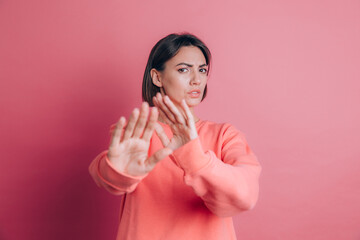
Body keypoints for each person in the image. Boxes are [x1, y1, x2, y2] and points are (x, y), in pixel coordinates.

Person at [89, 33, 262, 240]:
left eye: (202, 70)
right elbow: (104, 175)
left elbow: (245, 196)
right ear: (157, 77)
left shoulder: (225, 135)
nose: (197, 80)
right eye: (183, 69)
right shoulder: (137, 134)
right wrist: (116, 171)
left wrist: (195, 160)